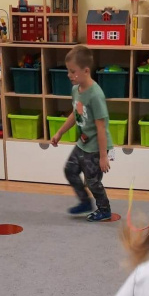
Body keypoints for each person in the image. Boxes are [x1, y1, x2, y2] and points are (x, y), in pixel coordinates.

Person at [50, 46, 112, 222]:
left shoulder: (96, 95)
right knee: (70, 170)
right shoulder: (76, 90)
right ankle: (85, 202)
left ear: (86, 71)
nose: (69, 75)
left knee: (92, 181)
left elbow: (101, 128)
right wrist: (60, 132)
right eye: (68, 71)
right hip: (83, 143)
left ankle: (104, 210)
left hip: (96, 147)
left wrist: (103, 156)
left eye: (73, 71)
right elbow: (76, 114)